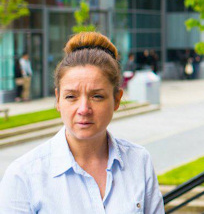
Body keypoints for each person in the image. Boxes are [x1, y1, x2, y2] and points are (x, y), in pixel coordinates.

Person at [0, 32, 164, 213]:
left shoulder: (139, 161)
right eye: (71, 96)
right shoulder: (23, 176)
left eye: (97, 96)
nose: (84, 109)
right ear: (58, 100)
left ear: (117, 99)